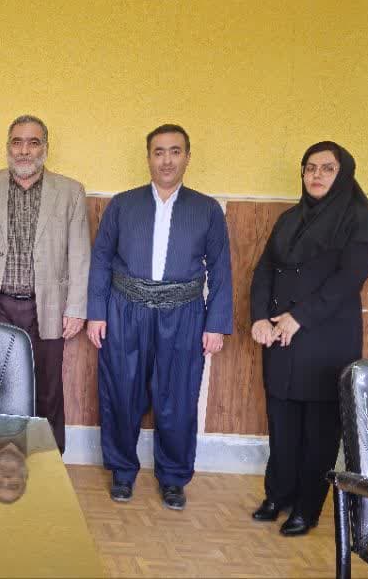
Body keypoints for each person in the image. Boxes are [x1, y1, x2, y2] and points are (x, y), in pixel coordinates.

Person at [86, 124, 231, 511]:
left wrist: (216, 324)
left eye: (175, 151)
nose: (167, 160)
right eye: (159, 152)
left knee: (178, 397)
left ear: (187, 156)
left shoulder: (206, 209)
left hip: (183, 315)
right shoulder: (123, 205)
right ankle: (122, 470)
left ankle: (173, 477)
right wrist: (96, 313)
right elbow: (101, 259)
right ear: (148, 157)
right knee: (121, 392)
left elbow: (220, 268)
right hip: (125, 311)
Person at [249, 141, 368, 536]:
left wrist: (300, 317)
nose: (316, 175)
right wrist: (259, 318)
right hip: (280, 337)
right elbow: (265, 270)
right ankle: (278, 495)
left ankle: (306, 509)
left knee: (320, 432)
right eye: (310, 167)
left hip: (326, 341)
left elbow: (347, 281)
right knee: (282, 424)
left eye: (327, 168)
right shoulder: (290, 219)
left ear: (343, 174)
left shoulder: (361, 218)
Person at [0, 115, 90, 453]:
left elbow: (80, 254)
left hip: (47, 306)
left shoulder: (70, 192)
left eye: (33, 142)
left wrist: (76, 308)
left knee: (47, 389)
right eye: (17, 142)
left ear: (45, 148)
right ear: (8, 147)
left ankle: (48, 460)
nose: (24, 150)